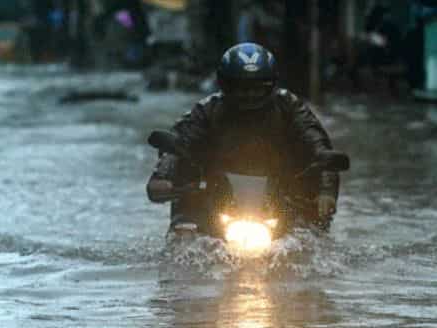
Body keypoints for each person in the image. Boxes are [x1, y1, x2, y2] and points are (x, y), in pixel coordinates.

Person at [146, 42, 342, 236]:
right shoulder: (206, 110)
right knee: (184, 238)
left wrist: (326, 192)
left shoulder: (291, 107)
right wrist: (162, 177)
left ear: (272, 85)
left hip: (283, 198)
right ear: (225, 84)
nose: (249, 94)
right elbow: (178, 143)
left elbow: (319, 146)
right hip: (213, 197)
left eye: (257, 88)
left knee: (309, 240)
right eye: (241, 88)